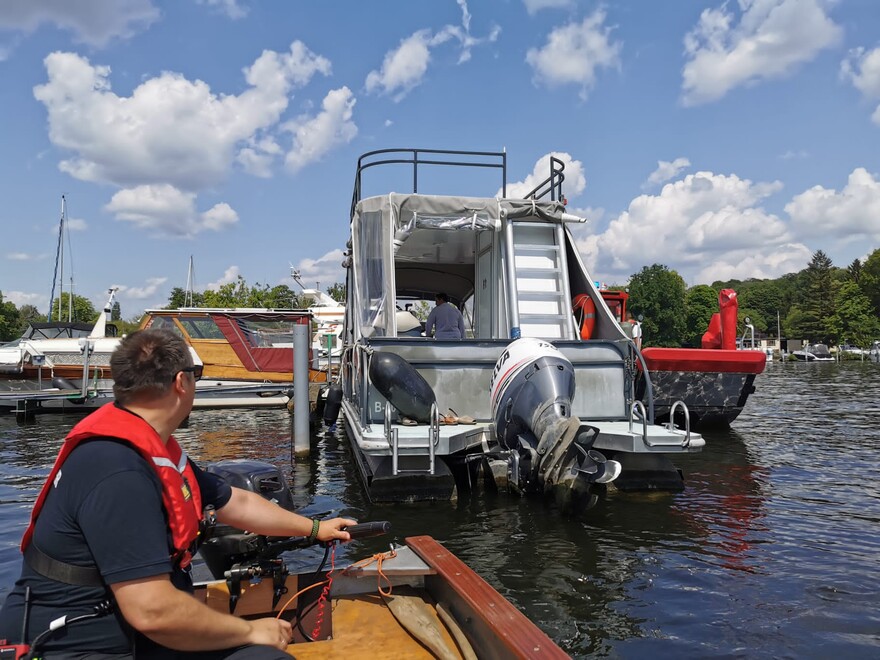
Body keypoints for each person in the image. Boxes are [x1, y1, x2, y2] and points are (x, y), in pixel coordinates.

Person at [0, 328, 356, 659]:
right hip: (80, 643)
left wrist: (314, 529)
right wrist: (250, 629)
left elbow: (237, 501)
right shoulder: (118, 470)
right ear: (182, 382)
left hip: (132, 628)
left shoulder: (153, 450)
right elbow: (152, 611)